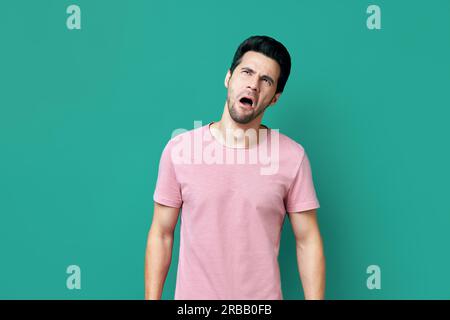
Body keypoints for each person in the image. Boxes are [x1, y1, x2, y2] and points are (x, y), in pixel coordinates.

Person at [145, 35, 325, 300]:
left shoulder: (292, 157)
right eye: (247, 72)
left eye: (266, 80)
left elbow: (308, 241)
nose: (253, 85)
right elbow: (161, 233)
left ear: (274, 98)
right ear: (228, 78)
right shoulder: (180, 150)